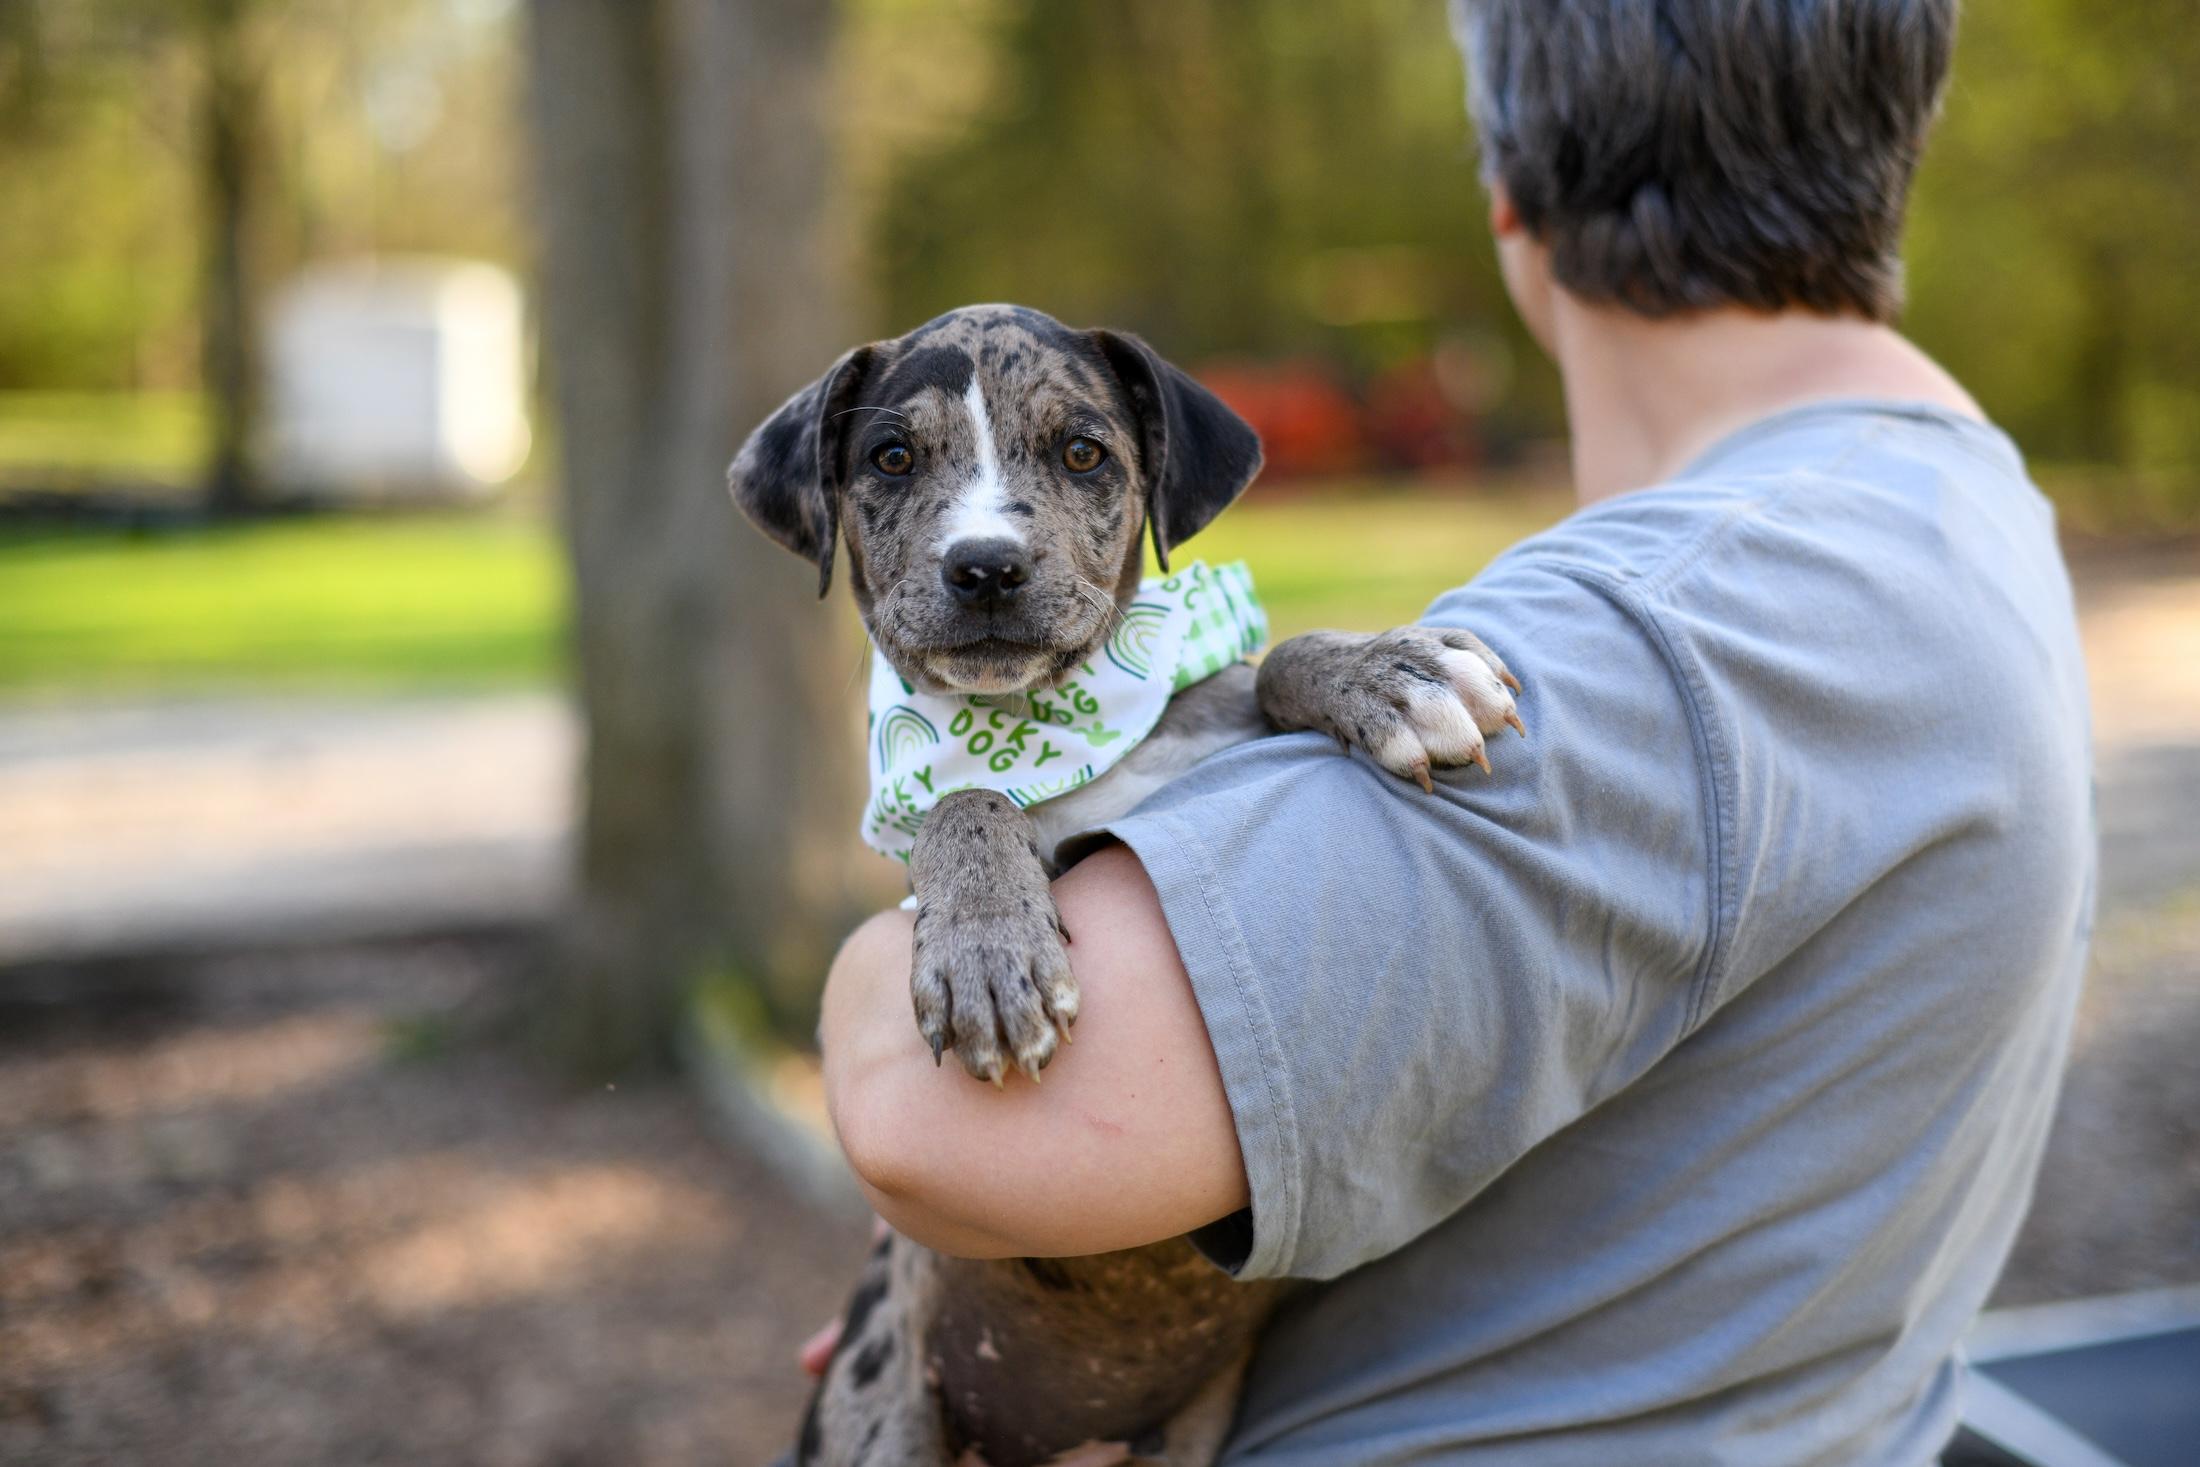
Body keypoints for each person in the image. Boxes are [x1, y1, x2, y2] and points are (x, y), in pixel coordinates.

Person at [813, 1, 2096, 1461]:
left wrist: (868, 982)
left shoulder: (1653, 641)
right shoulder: (1962, 515)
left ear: (1512, 193)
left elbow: (956, 1135)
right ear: (1900, 135)